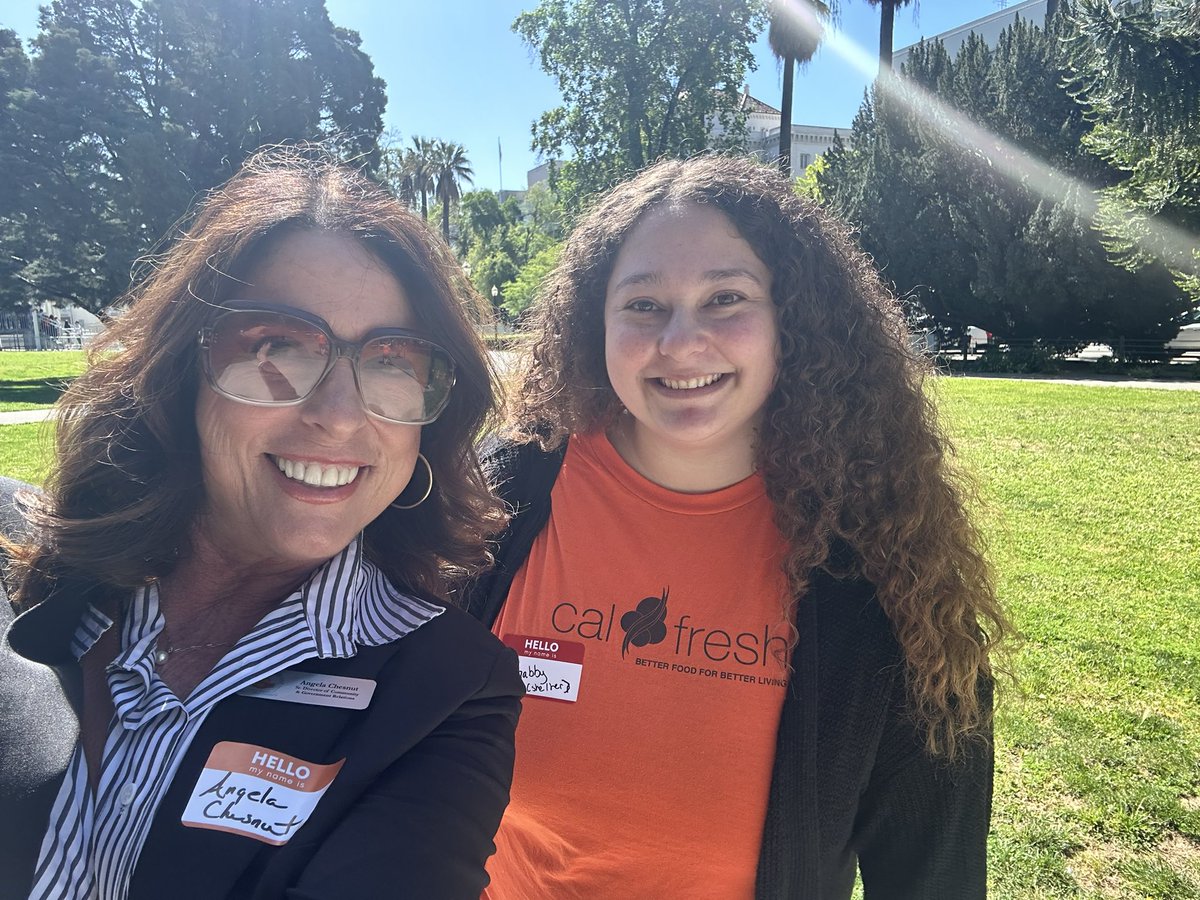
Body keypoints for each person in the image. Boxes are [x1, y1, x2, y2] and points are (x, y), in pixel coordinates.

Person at [462, 155, 1009, 899]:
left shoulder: (883, 562)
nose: (681, 342)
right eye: (644, 305)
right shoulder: (509, 491)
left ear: (794, 319)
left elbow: (932, 876)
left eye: (726, 298)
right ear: (597, 320)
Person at [0, 145, 522, 900]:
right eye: (276, 347)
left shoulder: (448, 693)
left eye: (392, 362)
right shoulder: (24, 567)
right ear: (185, 372)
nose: (339, 418)